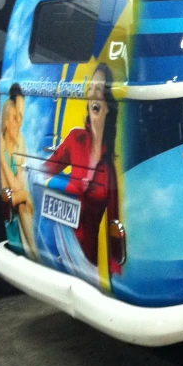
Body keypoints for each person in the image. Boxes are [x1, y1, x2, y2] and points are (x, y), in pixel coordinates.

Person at [45, 64, 120, 272]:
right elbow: (43, 171)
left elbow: (115, 227)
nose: (93, 95)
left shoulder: (110, 170)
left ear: (108, 106)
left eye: (100, 90)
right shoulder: (75, 139)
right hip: (59, 252)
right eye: (91, 90)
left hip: (88, 264)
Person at [0, 84, 38, 260]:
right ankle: (33, 254)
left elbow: (17, 186)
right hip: (11, 219)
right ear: (6, 119)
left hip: (18, 213)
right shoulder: (3, 144)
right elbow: (12, 193)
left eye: (21, 117)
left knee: (24, 204)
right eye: (16, 117)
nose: (20, 122)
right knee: (23, 203)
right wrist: (23, 195)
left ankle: (35, 255)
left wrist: (22, 195)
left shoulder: (20, 143)